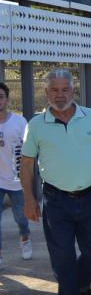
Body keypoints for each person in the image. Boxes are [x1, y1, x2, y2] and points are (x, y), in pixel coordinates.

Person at [21, 69, 91, 295]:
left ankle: (82, 282)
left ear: (73, 91)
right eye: (54, 89)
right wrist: (30, 199)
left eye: (65, 89)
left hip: (90, 197)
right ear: (46, 92)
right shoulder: (36, 125)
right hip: (56, 201)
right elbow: (27, 163)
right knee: (62, 256)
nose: (60, 94)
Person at [0, 82, 30, 269]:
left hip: (16, 181)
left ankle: (25, 239)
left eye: (0, 97)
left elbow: (28, 152)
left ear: (7, 100)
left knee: (20, 217)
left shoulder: (20, 122)